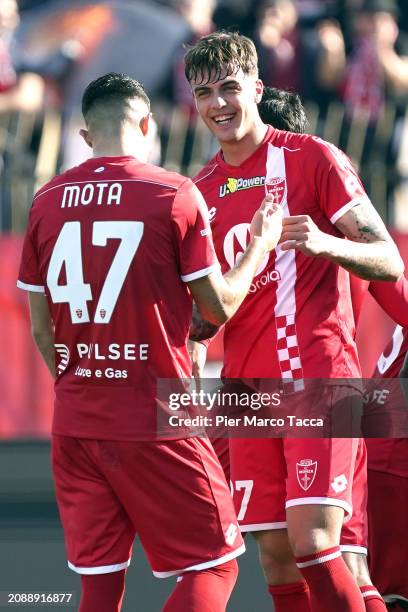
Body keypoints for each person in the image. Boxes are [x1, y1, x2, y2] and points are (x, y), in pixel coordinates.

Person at [16, 72, 283, 612]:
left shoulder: (45, 202)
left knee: (99, 584)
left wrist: (84, 384)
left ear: (86, 136)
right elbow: (218, 308)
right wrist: (259, 246)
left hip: (76, 423)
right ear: (146, 124)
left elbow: (42, 329)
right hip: (156, 416)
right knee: (216, 564)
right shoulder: (172, 193)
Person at [184, 31, 403, 612]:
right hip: (246, 396)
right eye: (205, 93)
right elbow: (205, 313)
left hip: (321, 377)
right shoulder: (198, 192)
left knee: (315, 544)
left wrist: (328, 244)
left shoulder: (313, 157)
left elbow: (388, 259)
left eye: (230, 88)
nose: (218, 105)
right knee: (276, 557)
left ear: (257, 88)